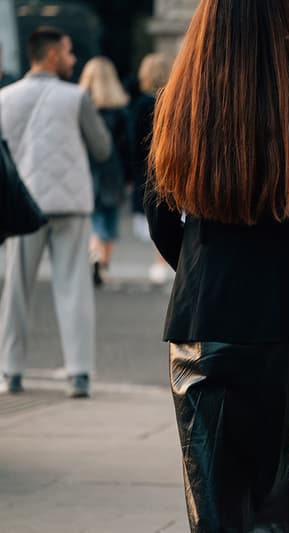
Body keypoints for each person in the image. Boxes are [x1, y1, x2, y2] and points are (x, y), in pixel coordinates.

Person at [144, 1, 289, 531]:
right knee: (280, 509)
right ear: (282, 24)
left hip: (203, 328)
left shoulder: (180, 102)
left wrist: (201, 274)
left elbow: (158, 217)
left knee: (214, 509)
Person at [0, 27, 111, 398]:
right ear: (51, 56)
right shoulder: (76, 96)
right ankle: (78, 373)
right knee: (73, 287)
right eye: (68, 52)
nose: (73, 58)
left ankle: (11, 370)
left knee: (16, 287)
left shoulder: (5, 98)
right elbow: (102, 149)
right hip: (70, 204)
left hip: (23, 204)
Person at [78, 56, 130, 286]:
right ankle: (105, 265)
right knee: (110, 219)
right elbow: (127, 145)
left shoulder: (82, 105)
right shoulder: (119, 110)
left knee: (96, 218)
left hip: (88, 168)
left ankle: (95, 255)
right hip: (113, 170)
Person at [128, 53, 173, 285]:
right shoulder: (173, 101)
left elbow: (133, 141)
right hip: (169, 166)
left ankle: (157, 265)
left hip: (146, 168)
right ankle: (160, 264)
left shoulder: (139, 105)